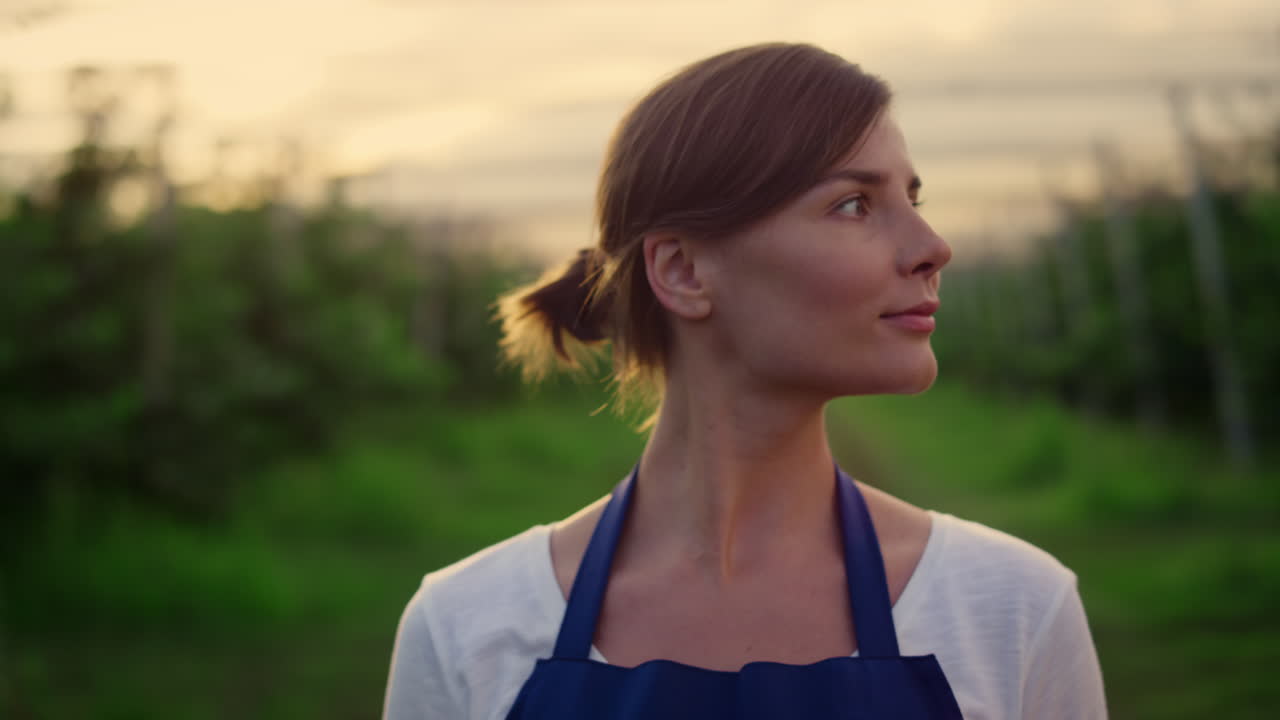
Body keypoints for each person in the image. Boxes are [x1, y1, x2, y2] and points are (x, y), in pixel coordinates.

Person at [382, 42, 1107, 719]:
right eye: (854, 203)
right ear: (683, 272)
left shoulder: (1013, 609)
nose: (932, 247)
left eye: (913, 200)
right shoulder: (461, 629)